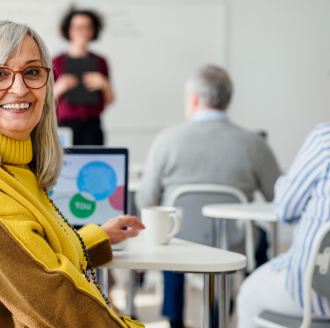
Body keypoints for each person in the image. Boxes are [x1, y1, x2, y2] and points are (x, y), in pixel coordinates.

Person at [0, 21, 145, 328]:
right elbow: (47, 290)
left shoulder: (19, 166)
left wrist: (97, 237)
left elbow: (28, 255)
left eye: (33, 72)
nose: (20, 88)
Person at [136, 65, 281, 328]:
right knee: (261, 240)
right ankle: (247, 304)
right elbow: (278, 197)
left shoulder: (167, 140)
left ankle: (175, 319)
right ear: (228, 99)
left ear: (192, 98)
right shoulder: (254, 143)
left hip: (179, 241)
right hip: (235, 242)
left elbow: (146, 200)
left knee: (169, 238)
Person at [237, 123, 330, 327]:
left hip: (311, 295)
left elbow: (284, 210)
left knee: (246, 296)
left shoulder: (325, 139)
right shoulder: (254, 143)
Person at [53, 9, 114, 146]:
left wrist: (104, 83)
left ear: (94, 30)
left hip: (93, 126)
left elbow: (111, 100)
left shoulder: (101, 61)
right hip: (64, 126)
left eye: (88, 27)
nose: (83, 31)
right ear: (69, 30)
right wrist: (60, 87)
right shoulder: (55, 62)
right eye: (78, 27)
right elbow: (45, 101)